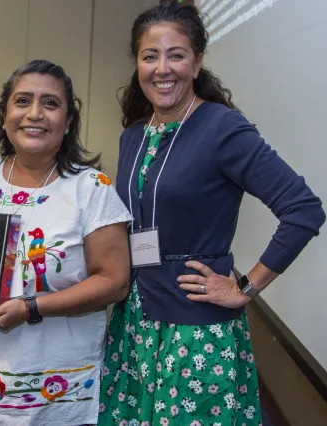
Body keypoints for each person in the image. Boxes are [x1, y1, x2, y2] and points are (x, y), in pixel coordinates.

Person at [99, 3, 325, 426]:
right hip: (136, 321)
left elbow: (303, 210)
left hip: (194, 330)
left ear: (198, 61)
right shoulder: (134, 134)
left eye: (176, 54)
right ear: (137, 63)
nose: (162, 68)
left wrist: (245, 287)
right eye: (150, 56)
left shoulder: (223, 128)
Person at [0, 59, 132, 426]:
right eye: (22, 101)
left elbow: (114, 282)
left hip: (61, 391)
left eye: (51, 103)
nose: (34, 114)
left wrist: (30, 308)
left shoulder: (92, 189)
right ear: (4, 113)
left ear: (68, 121)